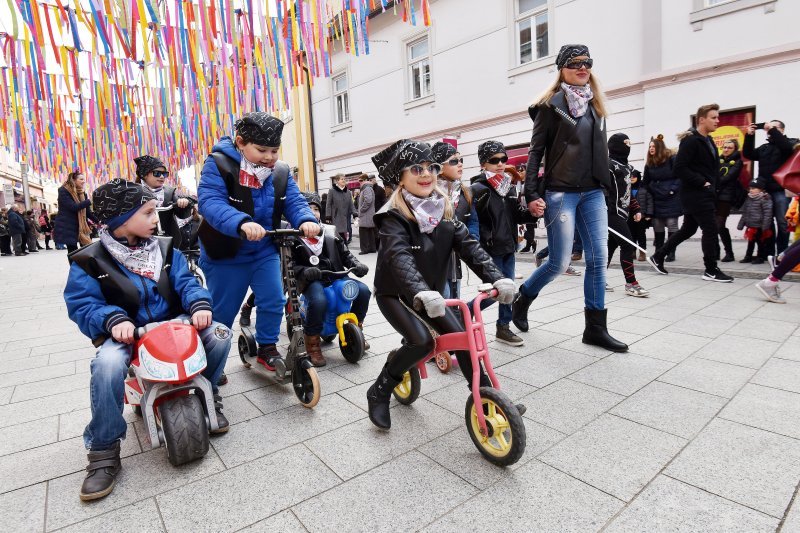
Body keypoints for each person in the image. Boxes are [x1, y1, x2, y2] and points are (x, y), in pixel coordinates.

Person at [64, 179, 231, 501]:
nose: (156, 218)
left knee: (220, 334)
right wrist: (112, 320)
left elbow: (187, 283)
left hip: (175, 321)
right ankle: (103, 450)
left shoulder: (166, 249)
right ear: (121, 219)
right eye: (148, 212)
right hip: (127, 332)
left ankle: (209, 396)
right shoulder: (89, 260)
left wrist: (198, 304)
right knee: (107, 364)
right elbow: (83, 305)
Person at [365, 139, 517, 429]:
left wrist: (496, 277)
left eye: (431, 167)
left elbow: (471, 247)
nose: (426, 174)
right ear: (401, 176)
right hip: (396, 294)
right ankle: (380, 390)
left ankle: (488, 398)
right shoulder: (392, 217)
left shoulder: (443, 210)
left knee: (464, 338)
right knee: (421, 341)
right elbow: (398, 257)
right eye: (416, 168)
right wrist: (420, 291)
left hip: (431, 294)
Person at [512, 44, 628, 352]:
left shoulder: (596, 106)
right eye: (575, 62)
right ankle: (524, 296)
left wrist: (608, 187)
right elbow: (536, 152)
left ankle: (595, 328)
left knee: (598, 259)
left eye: (587, 62)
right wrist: (532, 194)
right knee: (559, 261)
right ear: (562, 67)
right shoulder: (550, 106)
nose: (583, 67)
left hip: (592, 193)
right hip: (561, 193)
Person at [197, 112, 319, 370]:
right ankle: (210, 364)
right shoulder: (219, 164)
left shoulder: (281, 171)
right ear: (240, 142)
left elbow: (294, 201)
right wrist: (240, 222)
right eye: (262, 149)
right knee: (222, 312)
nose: (269, 157)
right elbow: (210, 202)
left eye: (274, 150)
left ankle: (267, 347)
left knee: (274, 299)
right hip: (226, 253)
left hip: (264, 250)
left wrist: (306, 219)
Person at [649, 104, 734, 282]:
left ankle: (658, 256)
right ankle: (711, 269)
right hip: (696, 194)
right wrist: (702, 182)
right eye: (714, 117)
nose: (717, 121)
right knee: (710, 229)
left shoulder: (708, 140)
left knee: (688, 229)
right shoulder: (691, 141)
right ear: (701, 119)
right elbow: (679, 168)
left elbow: (710, 168)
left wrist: (713, 187)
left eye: (718, 117)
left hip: (704, 193)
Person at [292, 192, 371, 366]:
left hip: (335, 276)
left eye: (316, 209)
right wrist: (304, 271)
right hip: (312, 281)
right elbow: (290, 264)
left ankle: (356, 329)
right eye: (307, 209)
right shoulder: (292, 236)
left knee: (364, 291)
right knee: (319, 300)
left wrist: (357, 264)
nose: (313, 213)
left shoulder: (330, 231)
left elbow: (346, 254)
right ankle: (312, 342)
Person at [471, 140, 534, 346]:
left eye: (503, 159)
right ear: (483, 163)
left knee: (508, 289)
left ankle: (503, 327)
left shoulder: (508, 186)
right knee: (494, 293)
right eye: (494, 160)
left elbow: (516, 215)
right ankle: (464, 312)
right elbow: (474, 222)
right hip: (491, 249)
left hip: (509, 245)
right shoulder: (477, 189)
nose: (500, 163)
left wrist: (533, 213)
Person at [431, 141, 479, 299]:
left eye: (461, 160)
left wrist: (470, 240)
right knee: (442, 301)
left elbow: (473, 221)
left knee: (455, 298)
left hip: (455, 259)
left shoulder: (465, 192)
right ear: (438, 166)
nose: (460, 164)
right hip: (434, 260)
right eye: (453, 161)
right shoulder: (429, 193)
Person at [743, 121, 799, 255]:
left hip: (780, 189)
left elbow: (786, 148)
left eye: (774, 127)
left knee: (782, 221)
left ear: (782, 130)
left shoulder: (791, 142)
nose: (769, 129)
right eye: (769, 128)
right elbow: (749, 154)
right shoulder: (764, 147)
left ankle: (782, 252)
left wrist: (772, 129)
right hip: (765, 190)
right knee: (767, 223)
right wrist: (749, 136)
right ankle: (769, 253)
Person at [606, 133, 649, 297]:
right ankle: (631, 283)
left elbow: (628, 192)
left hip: (622, 213)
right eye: (625, 144)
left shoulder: (628, 168)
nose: (628, 147)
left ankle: (599, 279)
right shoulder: (607, 165)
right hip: (610, 213)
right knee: (628, 245)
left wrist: (636, 208)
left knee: (610, 246)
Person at [134, 155, 193, 247]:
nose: (162, 177)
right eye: (157, 173)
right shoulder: (134, 193)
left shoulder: (169, 192)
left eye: (164, 174)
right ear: (144, 174)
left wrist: (183, 203)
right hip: (142, 241)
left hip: (168, 240)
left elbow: (182, 214)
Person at [643, 135, 680, 262]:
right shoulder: (649, 163)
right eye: (650, 147)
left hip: (671, 197)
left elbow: (679, 176)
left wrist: (672, 190)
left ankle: (671, 252)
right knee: (657, 225)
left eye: (653, 146)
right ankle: (659, 251)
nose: (651, 148)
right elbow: (645, 182)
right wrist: (646, 195)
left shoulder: (671, 158)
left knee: (671, 224)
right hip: (656, 197)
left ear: (659, 147)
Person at [54, 170, 96, 253]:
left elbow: (87, 212)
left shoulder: (82, 193)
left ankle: (83, 266)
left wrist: (99, 221)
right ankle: (73, 266)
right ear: (74, 180)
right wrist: (89, 201)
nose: (84, 181)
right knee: (73, 251)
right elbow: (73, 207)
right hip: (67, 225)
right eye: (81, 179)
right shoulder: (63, 191)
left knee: (86, 250)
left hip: (81, 226)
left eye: (84, 179)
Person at [716, 139, 744, 262]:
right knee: (712, 225)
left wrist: (714, 182)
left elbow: (729, 177)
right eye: (725, 147)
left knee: (720, 224)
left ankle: (729, 253)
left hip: (726, 196)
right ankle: (715, 252)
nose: (726, 149)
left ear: (735, 149)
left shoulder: (738, 162)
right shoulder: (718, 160)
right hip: (714, 195)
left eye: (729, 147)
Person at [737, 178, 774, 264]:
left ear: (761, 189)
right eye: (750, 188)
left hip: (759, 225)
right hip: (751, 225)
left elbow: (768, 213)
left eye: (753, 188)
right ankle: (748, 256)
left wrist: (765, 226)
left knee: (760, 242)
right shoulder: (749, 198)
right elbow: (745, 212)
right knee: (750, 241)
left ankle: (760, 257)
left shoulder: (765, 198)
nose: (751, 190)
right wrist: (741, 224)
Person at [326, 174, 354, 243]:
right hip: (336, 217)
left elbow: (351, 205)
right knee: (337, 237)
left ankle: (344, 250)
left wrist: (355, 215)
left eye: (344, 179)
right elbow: (328, 204)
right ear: (337, 181)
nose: (344, 180)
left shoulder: (348, 192)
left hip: (345, 217)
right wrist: (328, 216)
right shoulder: (332, 191)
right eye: (342, 179)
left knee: (344, 237)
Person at [628, 168, 648, 261]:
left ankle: (642, 252)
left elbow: (649, 201)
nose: (632, 178)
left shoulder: (643, 188)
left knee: (641, 234)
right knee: (631, 234)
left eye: (634, 176)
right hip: (629, 216)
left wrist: (648, 214)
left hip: (641, 215)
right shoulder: (627, 188)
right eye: (630, 176)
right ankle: (632, 252)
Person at [357, 174, 377, 254]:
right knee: (370, 232)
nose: (359, 182)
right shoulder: (368, 188)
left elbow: (368, 200)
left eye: (361, 180)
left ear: (365, 180)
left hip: (365, 215)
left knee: (363, 232)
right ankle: (372, 248)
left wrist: (361, 210)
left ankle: (365, 249)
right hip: (368, 215)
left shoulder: (367, 188)